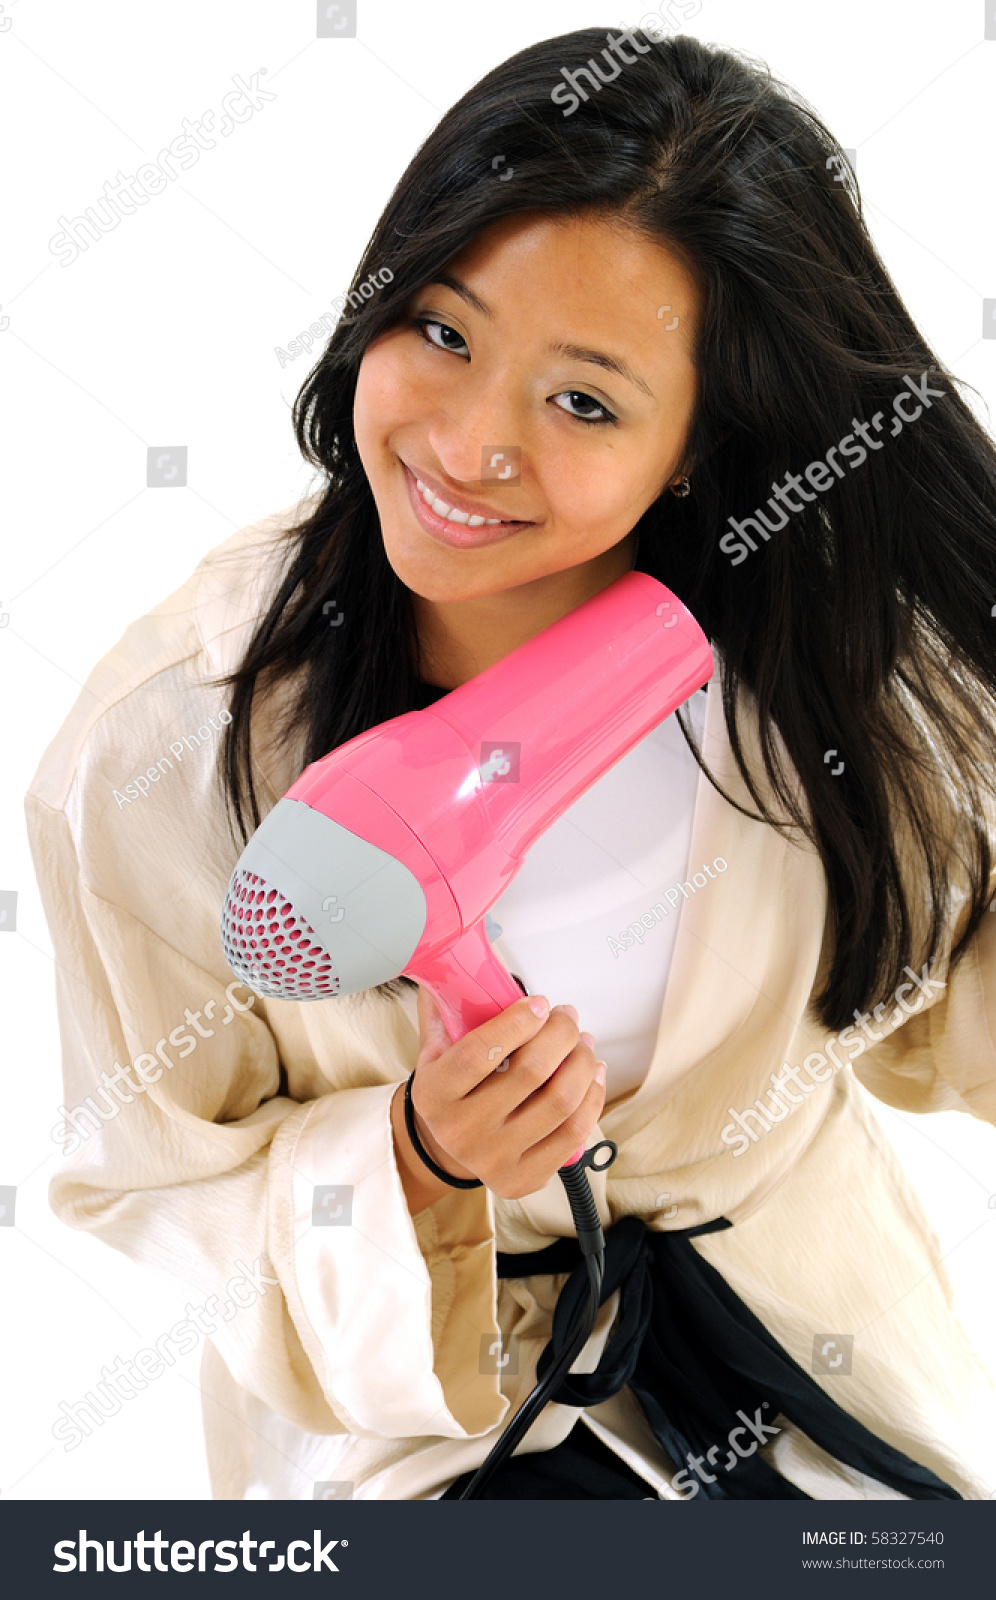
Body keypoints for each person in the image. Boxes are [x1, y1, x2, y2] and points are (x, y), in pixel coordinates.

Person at [26, 28, 996, 1501]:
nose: (471, 444)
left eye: (586, 401)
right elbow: (154, 1179)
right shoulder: (167, 744)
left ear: (698, 441)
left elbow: (945, 995)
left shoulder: (827, 656)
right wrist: (416, 1160)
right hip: (426, 1432)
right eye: (442, 331)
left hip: (804, 1364)